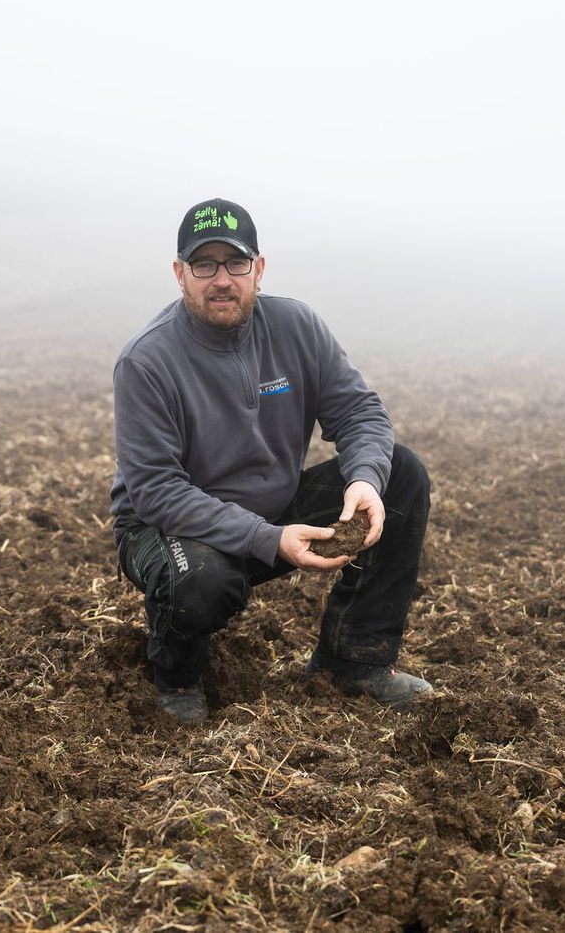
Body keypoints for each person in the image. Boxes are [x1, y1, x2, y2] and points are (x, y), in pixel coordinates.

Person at [109, 197, 433, 724]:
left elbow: (359, 412)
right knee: (201, 579)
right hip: (166, 528)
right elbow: (156, 492)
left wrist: (365, 480)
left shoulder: (296, 326)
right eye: (204, 264)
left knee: (402, 474)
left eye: (235, 263)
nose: (222, 280)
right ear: (179, 273)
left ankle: (353, 662)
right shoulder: (146, 360)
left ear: (258, 269)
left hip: (274, 510)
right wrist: (269, 538)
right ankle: (179, 679)